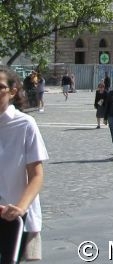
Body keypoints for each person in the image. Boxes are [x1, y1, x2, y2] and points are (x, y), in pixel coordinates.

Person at [0, 65, 49, 264]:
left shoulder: (25, 124)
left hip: (13, 217)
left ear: (12, 91)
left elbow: (36, 175)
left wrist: (20, 207)